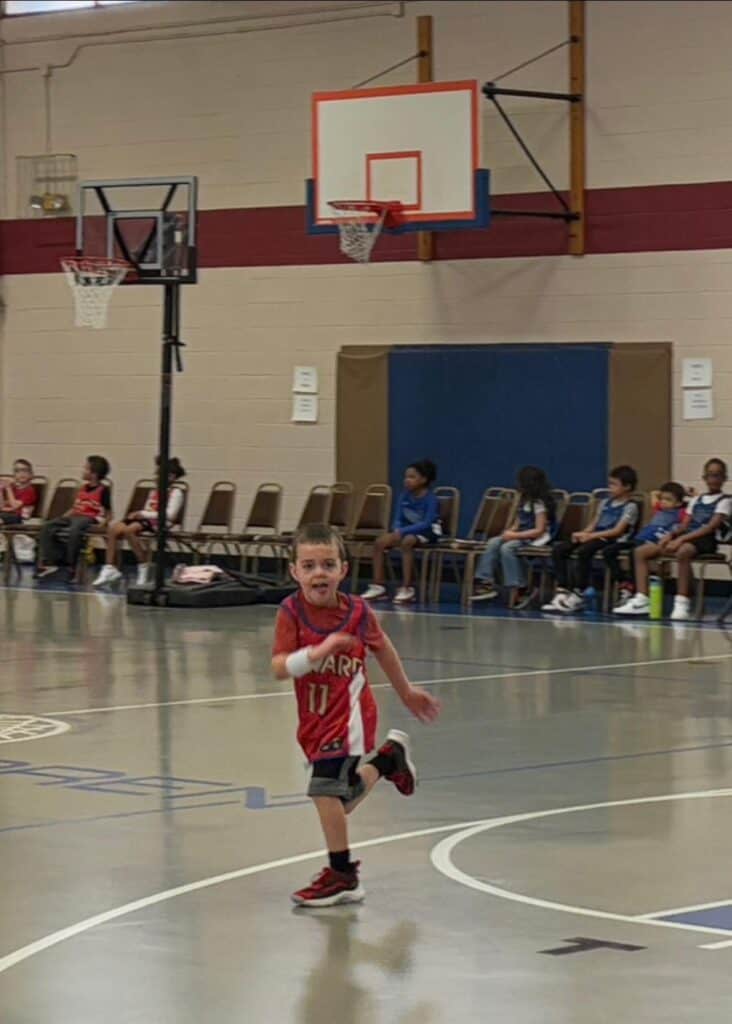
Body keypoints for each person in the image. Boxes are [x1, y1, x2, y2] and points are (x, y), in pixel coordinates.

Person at [271, 522, 441, 907]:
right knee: (339, 799)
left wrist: (407, 690)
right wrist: (314, 654)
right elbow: (280, 667)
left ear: (343, 570)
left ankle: (342, 874)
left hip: (350, 715)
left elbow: (383, 649)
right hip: (313, 718)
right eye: (310, 565)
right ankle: (387, 760)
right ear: (294, 571)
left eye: (328, 565)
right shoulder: (291, 612)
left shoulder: (358, 612)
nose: (319, 573)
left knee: (323, 792)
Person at [616, 458, 730, 620]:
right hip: (685, 537)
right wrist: (670, 535)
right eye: (710, 475)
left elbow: (709, 527)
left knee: (683, 552)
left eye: (717, 475)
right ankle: (642, 598)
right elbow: (684, 525)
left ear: (724, 478)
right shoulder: (696, 501)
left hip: (705, 540)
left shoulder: (725, 501)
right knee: (640, 552)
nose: (713, 479)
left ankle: (682, 601)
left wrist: (680, 540)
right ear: (704, 477)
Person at [542, 464, 639, 613]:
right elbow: (594, 523)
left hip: (612, 538)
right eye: (610, 483)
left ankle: (580, 592)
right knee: (559, 550)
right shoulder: (605, 503)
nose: (610, 488)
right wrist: (582, 533)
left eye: (614, 484)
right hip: (595, 535)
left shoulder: (631, 506)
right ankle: (563, 590)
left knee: (584, 551)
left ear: (627, 487)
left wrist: (590, 536)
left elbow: (617, 530)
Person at [93, 457, 186, 589]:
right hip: (147, 519)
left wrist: (143, 514)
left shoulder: (176, 493)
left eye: (159, 474)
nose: (155, 477)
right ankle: (110, 567)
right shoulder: (153, 492)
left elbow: (170, 515)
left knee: (130, 530)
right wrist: (139, 513)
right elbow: (148, 508)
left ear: (170, 477)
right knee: (113, 529)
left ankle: (143, 566)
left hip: (161, 522)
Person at [471, 465, 555, 609]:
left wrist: (515, 535)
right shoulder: (523, 501)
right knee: (494, 542)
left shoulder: (539, 504)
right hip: (521, 534)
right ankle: (485, 581)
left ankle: (521, 587)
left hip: (534, 537)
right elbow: (518, 523)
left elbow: (539, 530)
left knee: (507, 548)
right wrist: (509, 532)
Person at [362, 459, 439, 605]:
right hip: (405, 531)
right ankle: (379, 586)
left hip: (428, 532)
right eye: (406, 477)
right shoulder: (404, 496)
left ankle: (407, 588)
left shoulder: (431, 499)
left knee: (407, 541)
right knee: (380, 542)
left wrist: (402, 531)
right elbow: (398, 517)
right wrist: (396, 530)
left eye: (412, 477)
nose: (407, 480)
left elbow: (426, 523)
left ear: (423, 479)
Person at [607, 481, 687, 610]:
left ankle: (634, 588)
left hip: (652, 541)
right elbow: (653, 493)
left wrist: (686, 495)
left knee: (634, 553)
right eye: (662, 499)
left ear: (678, 503)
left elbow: (692, 508)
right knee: (610, 550)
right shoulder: (659, 509)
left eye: (668, 500)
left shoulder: (681, 512)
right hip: (639, 538)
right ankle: (624, 581)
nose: (663, 502)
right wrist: (667, 495)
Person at [36, 456, 111, 580]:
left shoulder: (103, 490)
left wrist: (103, 525)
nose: (82, 470)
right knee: (48, 526)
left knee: (75, 529)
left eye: (86, 468)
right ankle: (51, 562)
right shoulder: (82, 488)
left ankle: (70, 565)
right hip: (75, 516)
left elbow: (109, 512)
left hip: (90, 518)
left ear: (94, 473)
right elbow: (74, 508)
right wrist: (62, 519)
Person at [0, 459, 38, 525]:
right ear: (14, 475)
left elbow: (14, 505)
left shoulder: (30, 491)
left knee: (4, 517)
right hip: (7, 514)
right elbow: (1, 506)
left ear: (31, 474)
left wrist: (8, 488)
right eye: (17, 471)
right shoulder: (13, 488)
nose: (21, 474)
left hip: (20, 518)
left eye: (25, 470)